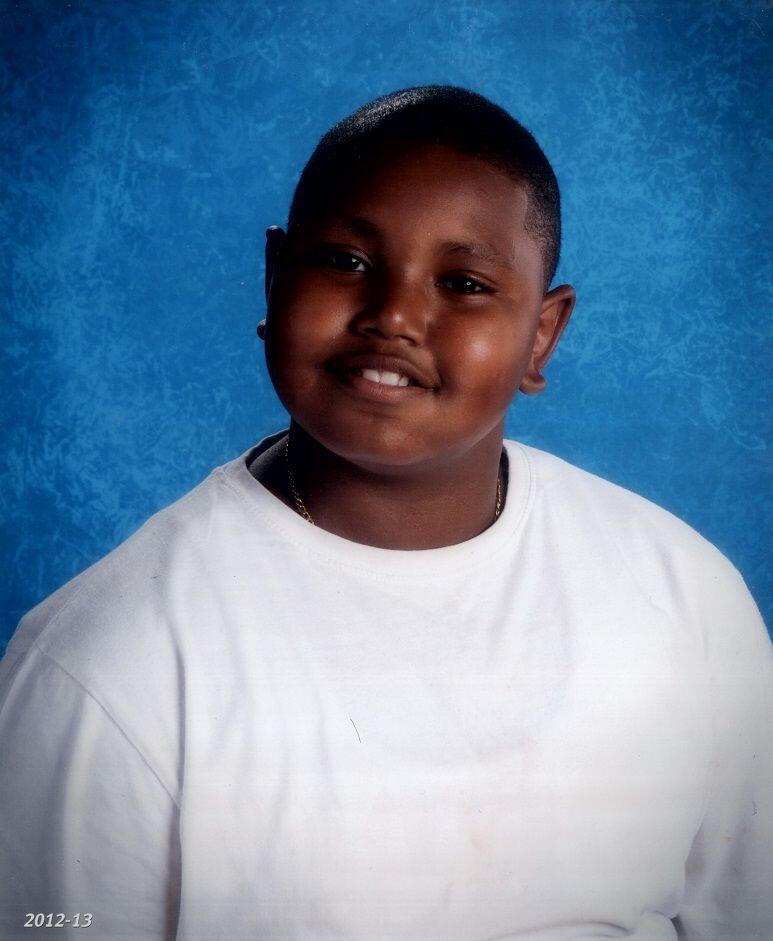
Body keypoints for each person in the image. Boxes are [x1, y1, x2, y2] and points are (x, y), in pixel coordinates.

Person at [0, 85, 770, 940]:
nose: (393, 317)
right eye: (346, 261)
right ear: (273, 277)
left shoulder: (682, 596)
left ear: (541, 335)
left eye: (463, 282)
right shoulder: (107, 664)